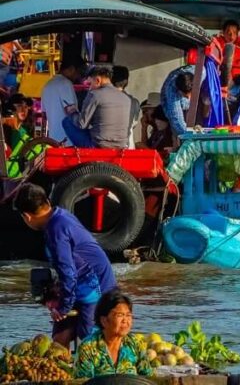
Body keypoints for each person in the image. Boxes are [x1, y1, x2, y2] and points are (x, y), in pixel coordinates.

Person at [14, 184, 117, 348]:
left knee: (87, 343)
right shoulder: (60, 215)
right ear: (47, 202)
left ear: (27, 216)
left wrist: (64, 308)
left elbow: (68, 273)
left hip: (96, 288)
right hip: (80, 283)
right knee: (59, 336)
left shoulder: (56, 230)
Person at [73, 291, 154, 378]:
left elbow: (148, 378)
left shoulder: (136, 344)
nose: (125, 320)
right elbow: (83, 381)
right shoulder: (87, 348)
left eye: (128, 315)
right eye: (120, 315)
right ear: (104, 320)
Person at [63, 66, 133, 149]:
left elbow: (81, 124)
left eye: (90, 84)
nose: (89, 88)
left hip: (98, 145)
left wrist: (72, 112)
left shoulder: (94, 95)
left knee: (66, 121)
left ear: (97, 80)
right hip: (121, 145)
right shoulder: (126, 98)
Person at [41, 59, 82, 143]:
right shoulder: (66, 83)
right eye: (78, 73)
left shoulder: (47, 85)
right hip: (68, 140)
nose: (78, 76)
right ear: (72, 69)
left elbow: (44, 114)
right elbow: (71, 112)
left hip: (53, 140)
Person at [111, 65, 140, 149]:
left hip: (106, 146)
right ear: (125, 81)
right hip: (128, 146)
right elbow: (134, 123)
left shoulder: (102, 98)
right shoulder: (134, 102)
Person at [161, 65, 193, 137]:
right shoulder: (172, 92)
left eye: (191, 94)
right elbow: (179, 124)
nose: (189, 98)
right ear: (179, 91)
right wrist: (195, 136)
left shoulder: (201, 72)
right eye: (185, 96)